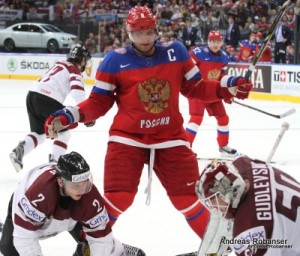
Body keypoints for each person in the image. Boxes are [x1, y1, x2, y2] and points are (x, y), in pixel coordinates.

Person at [44, 5, 252, 251]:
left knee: (187, 199)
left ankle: (218, 248)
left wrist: (226, 86)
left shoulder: (176, 51)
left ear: (156, 30)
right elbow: (99, 101)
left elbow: (196, 87)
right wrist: (70, 114)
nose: (144, 38)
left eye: (149, 32)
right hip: (127, 137)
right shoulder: (115, 59)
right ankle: (89, 244)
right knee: (118, 197)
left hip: (170, 137)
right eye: (138, 33)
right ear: (128, 33)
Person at [0, 151, 144, 256]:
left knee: (92, 244)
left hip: (69, 214)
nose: (82, 189)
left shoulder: (89, 195)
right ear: (60, 181)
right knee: (8, 249)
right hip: (34, 207)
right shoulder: (37, 194)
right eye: (76, 185)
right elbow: (24, 238)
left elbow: (100, 238)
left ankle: (117, 248)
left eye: (85, 182)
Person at [9, 45, 95, 172]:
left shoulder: (60, 64)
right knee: (64, 133)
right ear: (81, 59)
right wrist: (87, 114)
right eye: (85, 60)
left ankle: (19, 151)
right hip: (47, 98)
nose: (85, 63)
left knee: (39, 133)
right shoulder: (74, 69)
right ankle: (55, 164)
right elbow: (78, 93)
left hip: (32, 95)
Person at [196, 155, 300, 256]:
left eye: (214, 202)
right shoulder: (244, 164)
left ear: (230, 193)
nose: (215, 208)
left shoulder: (250, 229)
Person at [185, 30, 237, 156]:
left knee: (223, 118)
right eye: (213, 41)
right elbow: (187, 68)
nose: (215, 44)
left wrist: (226, 93)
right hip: (197, 90)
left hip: (212, 92)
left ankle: (223, 146)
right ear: (208, 41)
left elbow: (222, 76)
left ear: (221, 43)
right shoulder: (197, 53)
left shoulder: (224, 56)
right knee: (196, 118)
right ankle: (185, 149)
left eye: (218, 41)